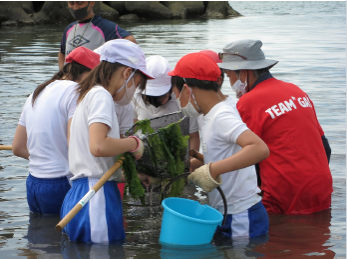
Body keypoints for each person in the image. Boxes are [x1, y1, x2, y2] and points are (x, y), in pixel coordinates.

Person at [218, 39, 333, 215]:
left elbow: (243, 161)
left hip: (283, 195)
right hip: (321, 188)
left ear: (244, 73)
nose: (230, 83)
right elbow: (325, 147)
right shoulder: (296, 92)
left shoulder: (249, 102)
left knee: (274, 240)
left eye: (229, 75)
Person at [60, 39, 153, 243]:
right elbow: (99, 146)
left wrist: (134, 177)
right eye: (137, 85)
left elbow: (97, 164)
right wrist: (134, 143)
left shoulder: (87, 94)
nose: (134, 92)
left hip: (81, 193)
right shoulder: (101, 96)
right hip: (96, 197)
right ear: (127, 73)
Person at [169, 52, 270, 239]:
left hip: (241, 214)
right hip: (227, 210)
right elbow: (222, 152)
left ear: (186, 89)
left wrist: (212, 170)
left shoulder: (221, 116)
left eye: (176, 95)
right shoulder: (211, 112)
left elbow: (259, 148)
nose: (178, 102)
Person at [12, 47, 101, 215]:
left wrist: (46, 157)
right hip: (60, 183)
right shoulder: (76, 93)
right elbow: (75, 145)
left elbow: (17, 147)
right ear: (89, 73)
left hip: (33, 183)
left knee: (38, 237)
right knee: (63, 239)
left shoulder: (36, 93)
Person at [132, 55, 200, 153]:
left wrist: (191, 162)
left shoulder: (182, 100)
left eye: (161, 97)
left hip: (176, 152)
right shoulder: (135, 97)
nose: (155, 102)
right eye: (150, 98)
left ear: (170, 88)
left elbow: (193, 136)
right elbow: (135, 128)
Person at [58, 1, 137, 69]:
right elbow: (62, 52)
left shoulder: (105, 27)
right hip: (70, 82)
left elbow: (131, 42)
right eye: (71, 3)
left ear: (92, 2)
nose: (75, 8)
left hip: (93, 83)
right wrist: (62, 72)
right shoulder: (69, 29)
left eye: (80, 3)